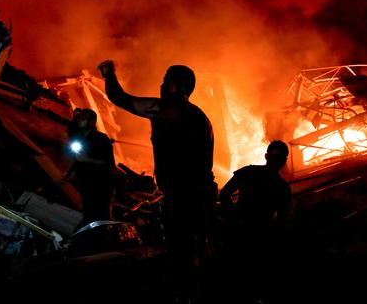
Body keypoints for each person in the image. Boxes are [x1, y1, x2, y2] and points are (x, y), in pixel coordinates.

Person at [98, 60, 216, 301]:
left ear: (174, 85)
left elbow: (120, 98)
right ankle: (199, 293)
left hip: (185, 198)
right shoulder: (200, 117)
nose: (161, 85)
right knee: (196, 250)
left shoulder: (167, 110)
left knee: (181, 254)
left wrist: (109, 74)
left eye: (165, 80)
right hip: (200, 195)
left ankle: (185, 297)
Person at [219, 140, 292, 302]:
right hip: (257, 236)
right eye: (277, 157)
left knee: (241, 278)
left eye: (279, 158)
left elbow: (224, 193)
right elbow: (282, 220)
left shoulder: (249, 173)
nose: (277, 161)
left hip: (248, 234)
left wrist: (234, 218)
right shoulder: (282, 187)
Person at [64, 108, 116, 222]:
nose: (79, 120)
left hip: (100, 184)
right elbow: (77, 161)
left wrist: (87, 159)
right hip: (84, 181)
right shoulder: (79, 137)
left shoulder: (101, 140)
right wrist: (68, 176)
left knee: (99, 216)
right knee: (84, 212)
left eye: (83, 118)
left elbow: (108, 165)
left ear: (91, 122)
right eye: (79, 118)